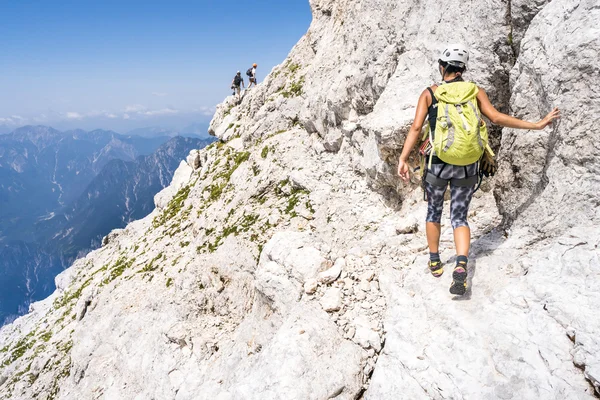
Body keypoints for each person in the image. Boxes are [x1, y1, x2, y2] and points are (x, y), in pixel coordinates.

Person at [396, 44, 560, 296]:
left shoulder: (430, 93)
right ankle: (461, 264)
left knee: (434, 212)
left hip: (437, 164)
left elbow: (417, 128)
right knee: (459, 216)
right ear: (463, 69)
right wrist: (536, 125)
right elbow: (495, 117)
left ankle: (435, 260)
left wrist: (403, 158)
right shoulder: (475, 91)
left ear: (442, 67)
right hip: (468, 164)